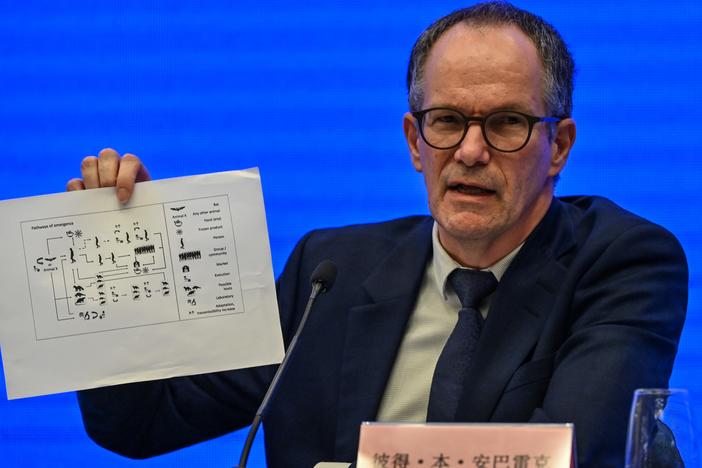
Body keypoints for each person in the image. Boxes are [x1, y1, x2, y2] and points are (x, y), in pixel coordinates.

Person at [72, 2, 688, 467]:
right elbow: (141, 423)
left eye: (507, 123)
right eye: (446, 121)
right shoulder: (330, 271)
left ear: (560, 147)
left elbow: (571, 452)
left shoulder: (623, 262)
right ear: (414, 142)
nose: (471, 151)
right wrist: (124, 267)